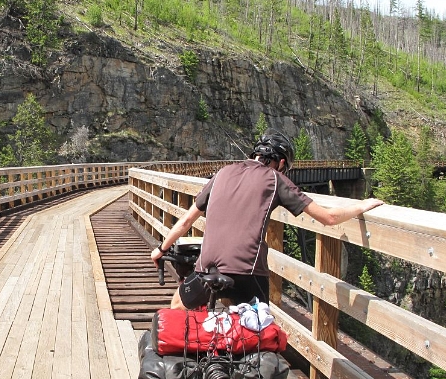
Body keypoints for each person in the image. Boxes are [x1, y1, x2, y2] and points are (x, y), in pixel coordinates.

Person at [150, 129, 384, 309]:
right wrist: (361, 205)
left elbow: (185, 222)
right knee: (257, 333)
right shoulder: (275, 179)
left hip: (207, 267)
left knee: (178, 306)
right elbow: (330, 218)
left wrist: (161, 249)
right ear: (281, 162)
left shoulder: (222, 173)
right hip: (248, 272)